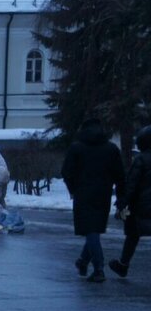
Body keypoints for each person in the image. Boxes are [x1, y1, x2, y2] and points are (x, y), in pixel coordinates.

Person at [61, 118, 125, 282]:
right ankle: (83, 261)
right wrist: (121, 197)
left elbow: (66, 171)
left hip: (83, 193)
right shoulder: (111, 149)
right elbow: (120, 175)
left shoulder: (77, 148)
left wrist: (73, 188)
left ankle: (98, 269)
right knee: (94, 230)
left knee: (91, 230)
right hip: (103, 194)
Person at [110, 125, 151, 277]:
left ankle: (123, 264)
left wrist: (122, 202)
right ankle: (122, 265)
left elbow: (132, 184)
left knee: (133, 235)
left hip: (140, 206)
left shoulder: (140, 160)